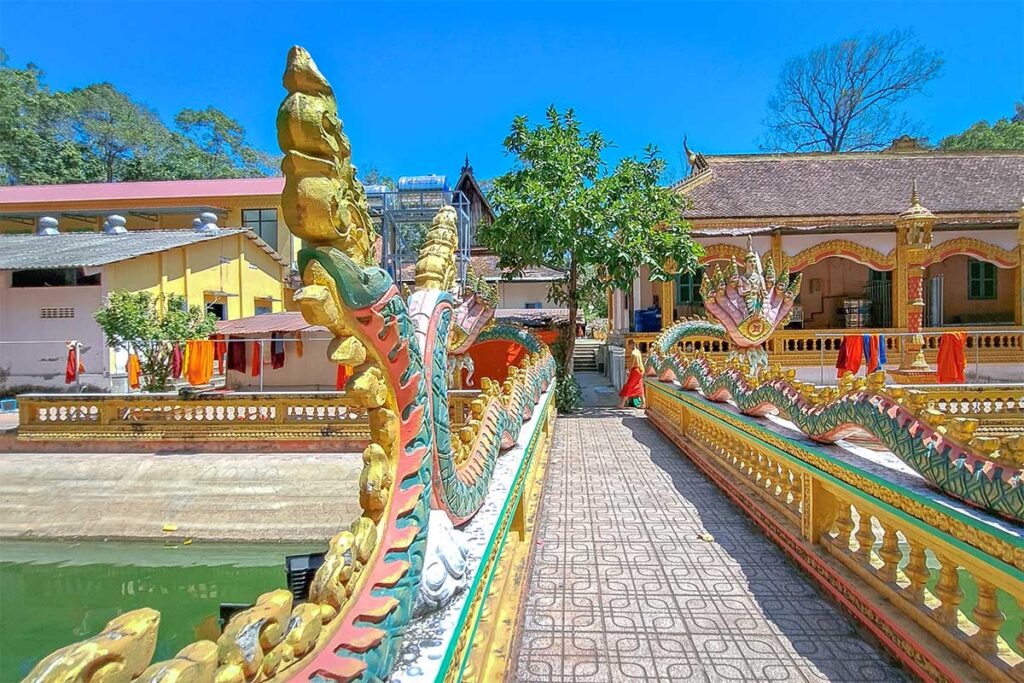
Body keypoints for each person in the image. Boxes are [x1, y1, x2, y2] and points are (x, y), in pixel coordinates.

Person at [618, 339, 646, 408]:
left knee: (628, 386)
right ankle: (644, 403)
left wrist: (629, 371)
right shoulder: (638, 352)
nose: (629, 347)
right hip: (640, 370)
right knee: (639, 386)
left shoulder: (633, 354)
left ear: (632, 344)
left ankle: (622, 404)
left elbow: (632, 364)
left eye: (629, 345)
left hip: (635, 371)